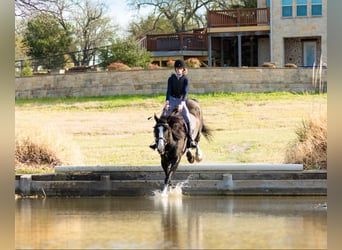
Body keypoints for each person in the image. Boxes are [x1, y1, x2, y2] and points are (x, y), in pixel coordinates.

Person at [150, 59, 197, 150]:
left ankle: (190, 139)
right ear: (175, 69)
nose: (179, 70)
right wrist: (167, 102)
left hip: (181, 101)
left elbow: (185, 92)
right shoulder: (171, 78)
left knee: (187, 117)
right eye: (177, 68)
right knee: (162, 118)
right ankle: (156, 142)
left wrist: (182, 104)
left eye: (180, 68)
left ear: (183, 69)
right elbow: (168, 91)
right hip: (171, 100)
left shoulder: (185, 79)